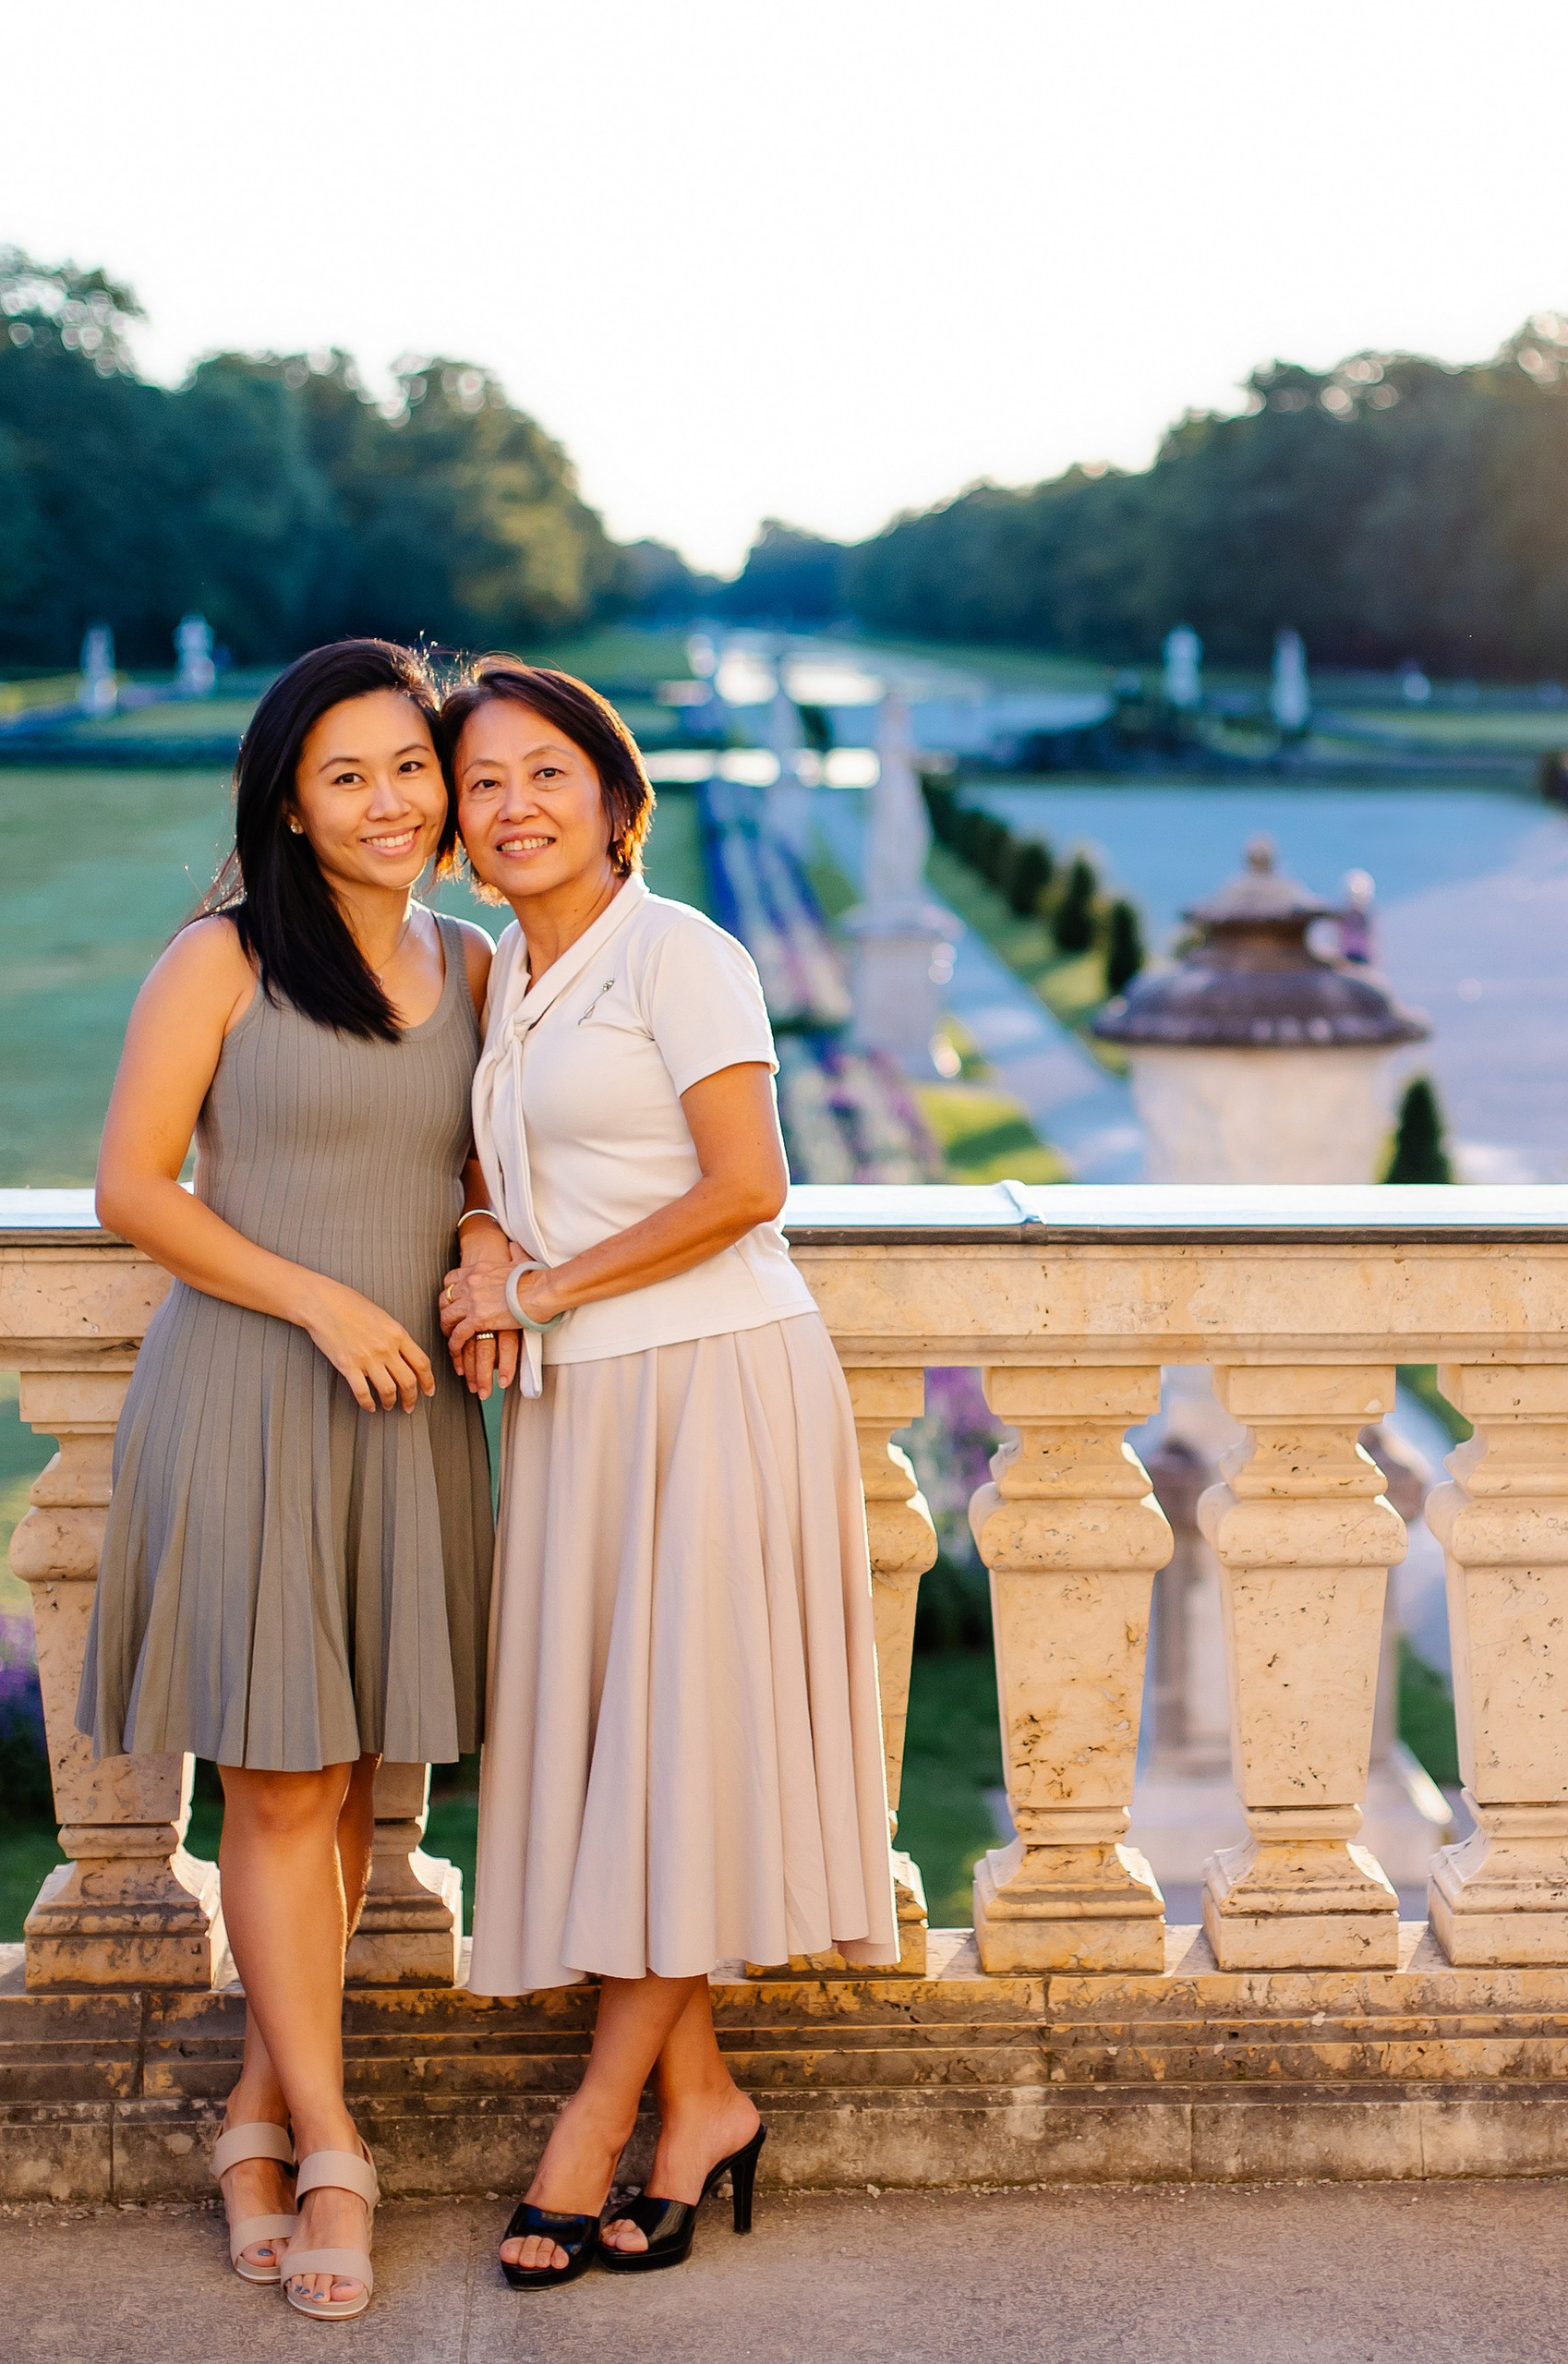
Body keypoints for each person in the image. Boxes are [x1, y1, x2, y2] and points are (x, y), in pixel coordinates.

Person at [434, 659, 896, 2287]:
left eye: (546, 773)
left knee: (670, 1756)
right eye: (482, 783)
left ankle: (594, 2124)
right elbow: (493, 1154)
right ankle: (703, 2103)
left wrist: (538, 1288)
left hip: (713, 1384)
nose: (514, 807)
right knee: (636, 1768)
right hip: (583, 1410)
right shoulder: (506, 967)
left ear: (617, 800)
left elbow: (749, 1184)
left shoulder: (682, 951)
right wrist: (483, 1238)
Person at [79, 638, 508, 2322]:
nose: (390, 801)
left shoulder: (472, 962)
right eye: (347, 776)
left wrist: (482, 1240)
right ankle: (331, 2142)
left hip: (406, 1412)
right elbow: (133, 1188)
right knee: (274, 1787)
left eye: (412, 766)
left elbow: (483, 1167)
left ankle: (256, 2116)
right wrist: (320, 1300)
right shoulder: (224, 956)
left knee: (344, 1785)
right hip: (257, 1389)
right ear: (288, 802)